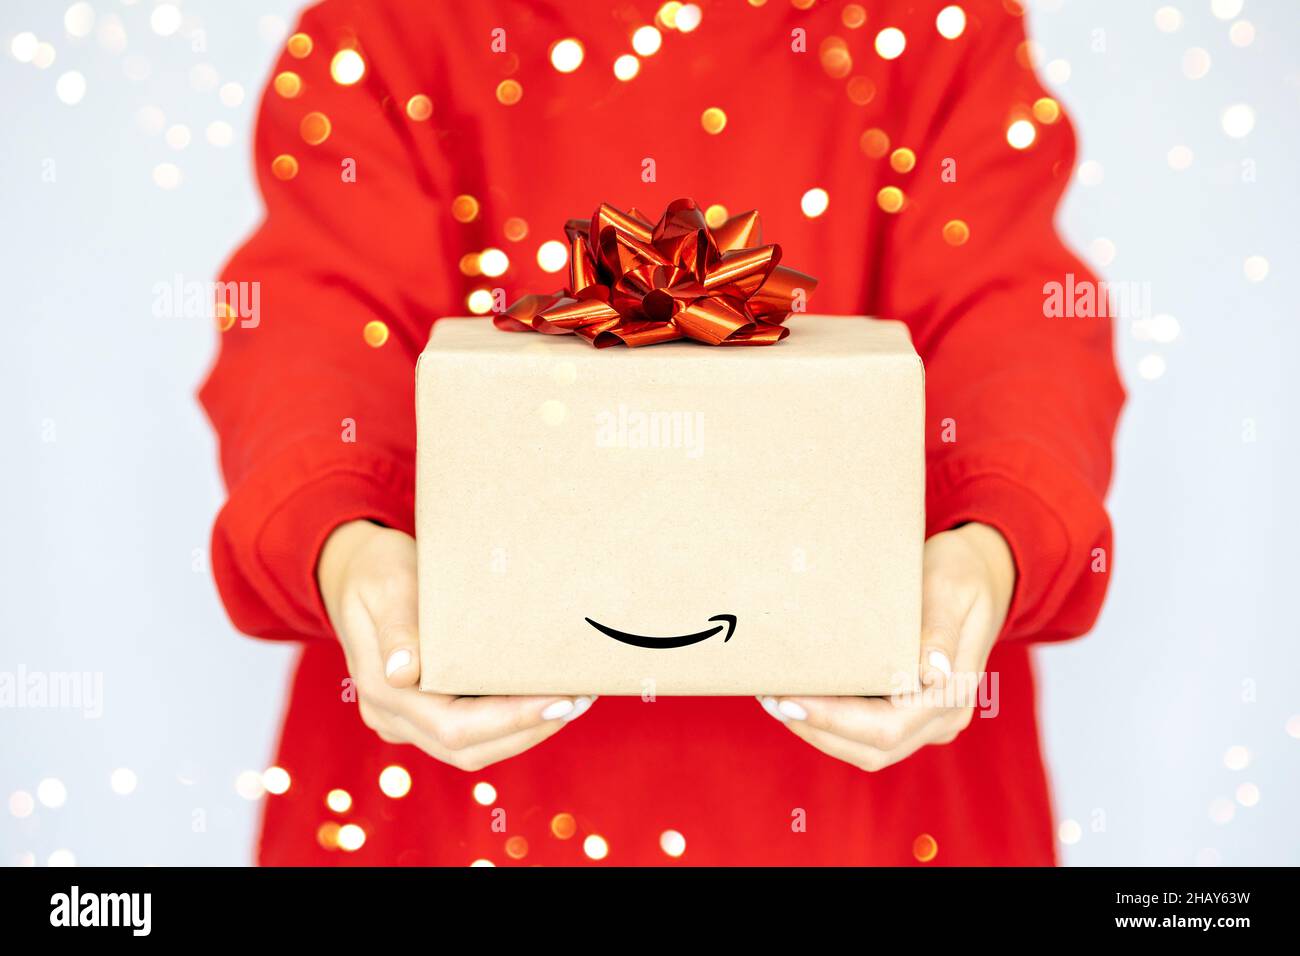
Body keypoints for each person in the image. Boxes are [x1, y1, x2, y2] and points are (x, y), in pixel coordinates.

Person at [200, 0, 1124, 865]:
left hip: (871, 805)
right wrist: (340, 529)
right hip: (444, 800)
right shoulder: (392, 25)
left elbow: (1012, 314)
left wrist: (994, 531)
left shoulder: (927, 26)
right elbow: (317, 314)